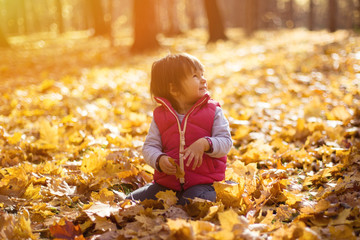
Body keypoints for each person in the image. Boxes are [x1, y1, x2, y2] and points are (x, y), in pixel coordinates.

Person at [127, 53, 232, 205]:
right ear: (174, 89)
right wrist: (159, 159)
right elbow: (150, 146)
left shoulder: (213, 111)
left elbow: (226, 142)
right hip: (167, 186)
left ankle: (216, 194)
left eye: (202, 74)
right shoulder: (160, 116)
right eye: (195, 76)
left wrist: (204, 143)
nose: (203, 79)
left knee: (191, 202)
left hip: (205, 183)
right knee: (130, 201)